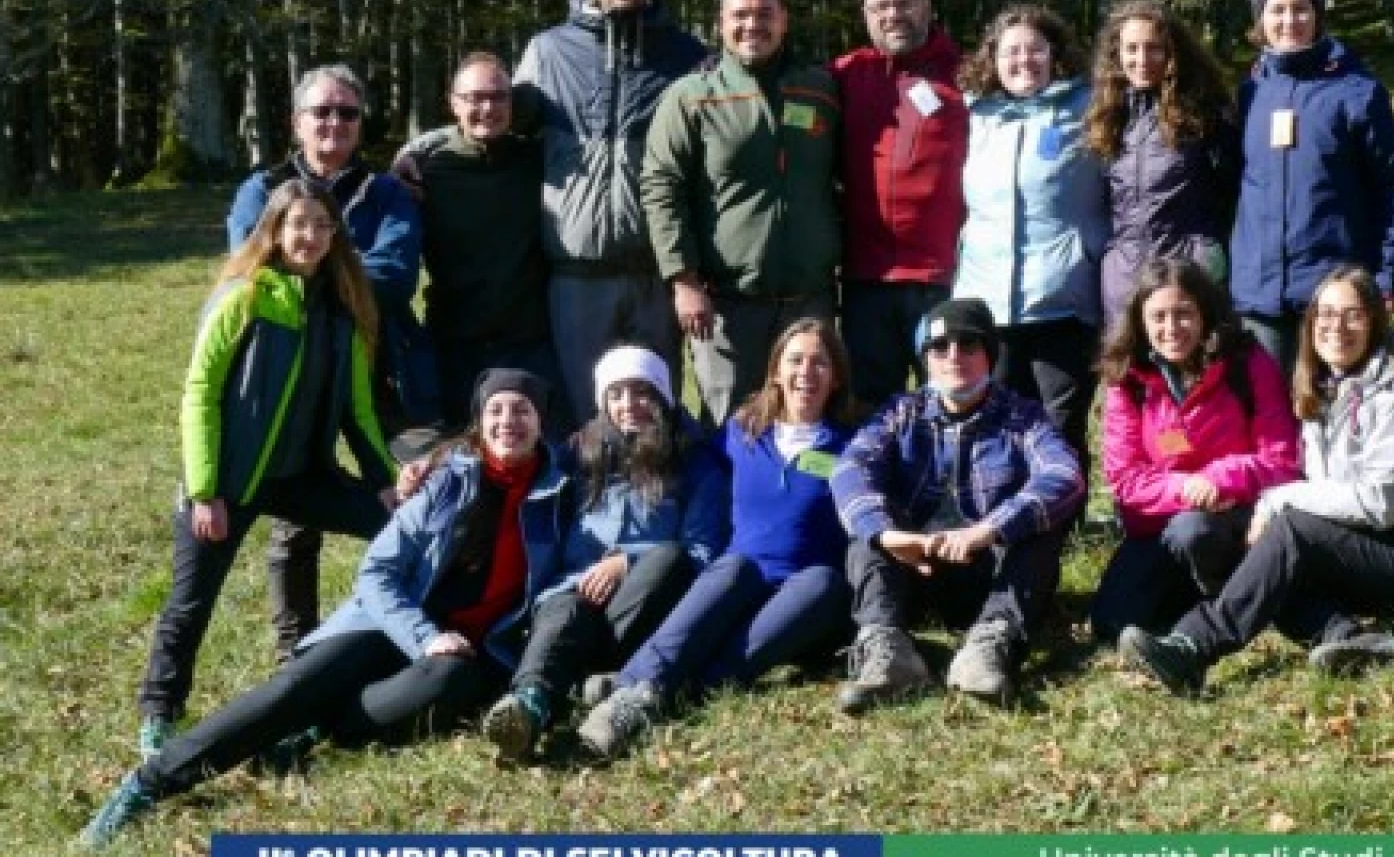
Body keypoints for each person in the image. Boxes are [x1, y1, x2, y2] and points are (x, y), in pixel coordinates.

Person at [82, 370, 578, 849]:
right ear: (479, 420)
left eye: (522, 410)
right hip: (390, 623)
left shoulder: (560, 492)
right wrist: (423, 636)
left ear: (541, 422)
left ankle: (314, 731)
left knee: (447, 686)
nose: (508, 420)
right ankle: (151, 781)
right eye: (496, 409)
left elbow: (585, 553)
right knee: (293, 690)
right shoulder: (447, 482)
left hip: (471, 651)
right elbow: (377, 574)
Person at [1118, 268, 1394, 694]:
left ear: (1375, 321)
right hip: (1377, 543)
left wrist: (1277, 500)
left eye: (1353, 315)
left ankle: (1194, 647)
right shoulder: (1322, 387)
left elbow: (1380, 503)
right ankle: (1350, 639)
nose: (1337, 327)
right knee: (1269, 557)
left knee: (1290, 533)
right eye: (1326, 315)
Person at [134, 178, 397, 762]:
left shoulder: (342, 312)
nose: (310, 236)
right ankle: (159, 712)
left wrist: (384, 483)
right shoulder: (243, 297)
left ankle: (353, 662)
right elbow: (199, 394)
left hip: (303, 478)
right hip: (230, 481)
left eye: (322, 226)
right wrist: (205, 491)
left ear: (334, 237)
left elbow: (358, 408)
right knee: (191, 600)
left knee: (397, 530)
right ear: (275, 230)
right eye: (298, 224)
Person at [574, 320, 861, 758]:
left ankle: (643, 684)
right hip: (736, 584)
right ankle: (638, 694)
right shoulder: (743, 432)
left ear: (836, 376)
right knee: (732, 567)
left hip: (802, 593)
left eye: (820, 362)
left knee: (823, 580)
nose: (807, 372)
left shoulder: (853, 446)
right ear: (776, 373)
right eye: (795, 361)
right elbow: (678, 448)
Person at [228, 63, 429, 662]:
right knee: (295, 511)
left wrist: (310, 265)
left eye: (347, 113)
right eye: (322, 112)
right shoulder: (261, 189)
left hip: (383, 364)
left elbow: (395, 276)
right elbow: (251, 269)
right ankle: (297, 650)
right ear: (297, 123)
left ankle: (413, 625)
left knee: (421, 491)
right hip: (294, 370)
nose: (335, 124)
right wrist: (345, 270)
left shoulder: (387, 193)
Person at [469, 344, 727, 760]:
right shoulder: (576, 454)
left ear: (663, 396)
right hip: (574, 599)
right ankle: (529, 706)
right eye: (617, 393)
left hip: (647, 603)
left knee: (669, 558)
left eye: (642, 392)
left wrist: (629, 562)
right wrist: (431, 462)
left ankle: (589, 678)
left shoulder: (693, 463)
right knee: (562, 605)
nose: (630, 405)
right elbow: (508, 462)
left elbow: (704, 551)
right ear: (602, 400)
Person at [830, 298, 1087, 711]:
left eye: (969, 345)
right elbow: (850, 469)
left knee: (1039, 531)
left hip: (990, 571)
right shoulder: (900, 413)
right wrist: (890, 535)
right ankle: (887, 651)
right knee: (867, 532)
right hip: (916, 569)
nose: (954, 356)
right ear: (925, 358)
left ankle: (988, 648)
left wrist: (989, 529)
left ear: (989, 355)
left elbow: (1064, 475)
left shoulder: (1023, 417)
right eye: (940, 346)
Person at [515, 0, 708, 425]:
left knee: (655, 410)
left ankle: (656, 501)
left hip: (656, 274)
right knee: (587, 413)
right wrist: (420, 152)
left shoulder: (688, 58)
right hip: (577, 274)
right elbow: (489, 121)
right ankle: (592, 503)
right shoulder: (548, 52)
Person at [643, 0, 842, 425]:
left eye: (764, 14)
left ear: (784, 20)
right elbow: (660, 186)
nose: (753, 25)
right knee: (732, 423)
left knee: (810, 417)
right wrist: (683, 279)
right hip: (728, 302)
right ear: (720, 23)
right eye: (741, 15)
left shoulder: (820, 90)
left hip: (808, 297)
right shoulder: (691, 97)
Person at [1088, 257, 1300, 644]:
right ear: (1141, 322)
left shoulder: (1247, 363)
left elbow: (1282, 461)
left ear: (1205, 314)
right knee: (1111, 621)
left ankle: (1230, 602)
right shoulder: (1128, 380)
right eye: (1159, 317)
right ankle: (1199, 603)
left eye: (1184, 314)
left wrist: (1220, 480)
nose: (1172, 329)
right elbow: (1124, 479)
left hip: (1240, 517)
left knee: (1194, 530)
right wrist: (1187, 489)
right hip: (1160, 523)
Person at [1230, 0, 1394, 369]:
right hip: (1260, 294)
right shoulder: (1247, 96)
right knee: (1271, 416)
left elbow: (1392, 191)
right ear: (1261, 21)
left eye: (1301, 9)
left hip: (1335, 293)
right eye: (1277, 11)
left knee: (1332, 412)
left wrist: (1389, 277)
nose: (1289, 21)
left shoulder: (1359, 93)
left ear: (1316, 17)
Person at [951, 4, 1106, 466]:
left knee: (1060, 421)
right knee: (997, 421)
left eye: (1035, 49)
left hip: (1063, 293)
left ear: (1054, 54)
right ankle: (1004, 520)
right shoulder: (976, 115)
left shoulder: (1089, 107)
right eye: (1011, 52)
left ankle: (1061, 524)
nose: (1024, 61)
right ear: (992, 59)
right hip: (988, 299)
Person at [402, 51, 566, 431]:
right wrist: (411, 150)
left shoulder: (538, 160)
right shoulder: (424, 172)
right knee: (461, 453)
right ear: (453, 103)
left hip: (530, 340)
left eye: (498, 97)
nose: (487, 108)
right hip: (455, 341)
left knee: (539, 451)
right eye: (475, 98)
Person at [833, 0, 969, 404]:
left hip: (943, 278)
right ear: (866, 16)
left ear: (926, 7)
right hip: (866, 282)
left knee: (950, 402)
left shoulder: (967, 76)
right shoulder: (845, 75)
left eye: (904, 3)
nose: (894, 15)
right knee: (871, 409)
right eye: (881, 7)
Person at [1084, 0, 1240, 327]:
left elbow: (1234, 191)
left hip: (1191, 272)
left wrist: (1211, 254)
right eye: (1132, 49)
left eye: (1154, 48)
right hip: (1124, 277)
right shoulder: (1106, 115)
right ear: (1117, 54)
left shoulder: (1206, 114)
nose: (1142, 59)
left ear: (1174, 52)